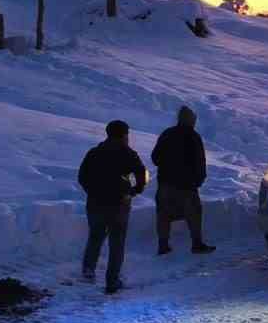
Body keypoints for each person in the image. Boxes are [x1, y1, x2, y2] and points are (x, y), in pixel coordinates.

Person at [78, 119, 146, 293]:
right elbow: (142, 174)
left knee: (95, 236)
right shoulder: (128, 154)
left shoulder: (94, 153)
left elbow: (82, 176)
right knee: (117, 242)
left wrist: (92, 191)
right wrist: (135, 190)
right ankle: (112, 280)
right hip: (119, 203)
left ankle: (88, 271)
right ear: (124, 135)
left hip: (95, 202)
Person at [151, 105, 215, 256]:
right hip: (187, 186)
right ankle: (197, 244)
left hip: (165, 183)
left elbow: (155, 158)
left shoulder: (167, 133)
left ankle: (163, 246)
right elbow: (200, 162)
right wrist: (198, 181)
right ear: (191, 120)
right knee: (194, 214)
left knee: (163, 215)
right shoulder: (193, 137)